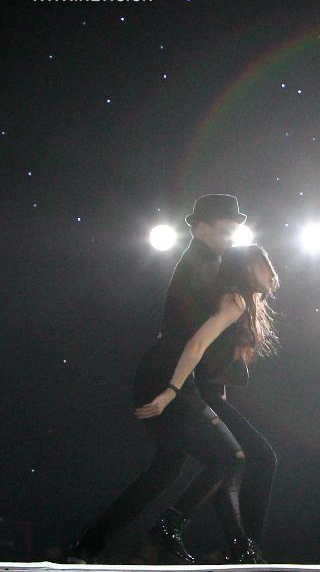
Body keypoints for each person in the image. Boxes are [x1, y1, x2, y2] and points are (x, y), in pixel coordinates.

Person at [69, 195, 277, 564]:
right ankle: (230, 546)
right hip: (175, 375)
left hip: (187, 378)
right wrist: (172, 389)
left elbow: (203, 341)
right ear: (201, 228)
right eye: (225, 231)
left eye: (234, 232)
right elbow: (194, 340)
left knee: (170, 470)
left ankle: (89, 546)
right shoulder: (202, 266)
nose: (231, 238)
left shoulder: (213, 266)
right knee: (237, 457)